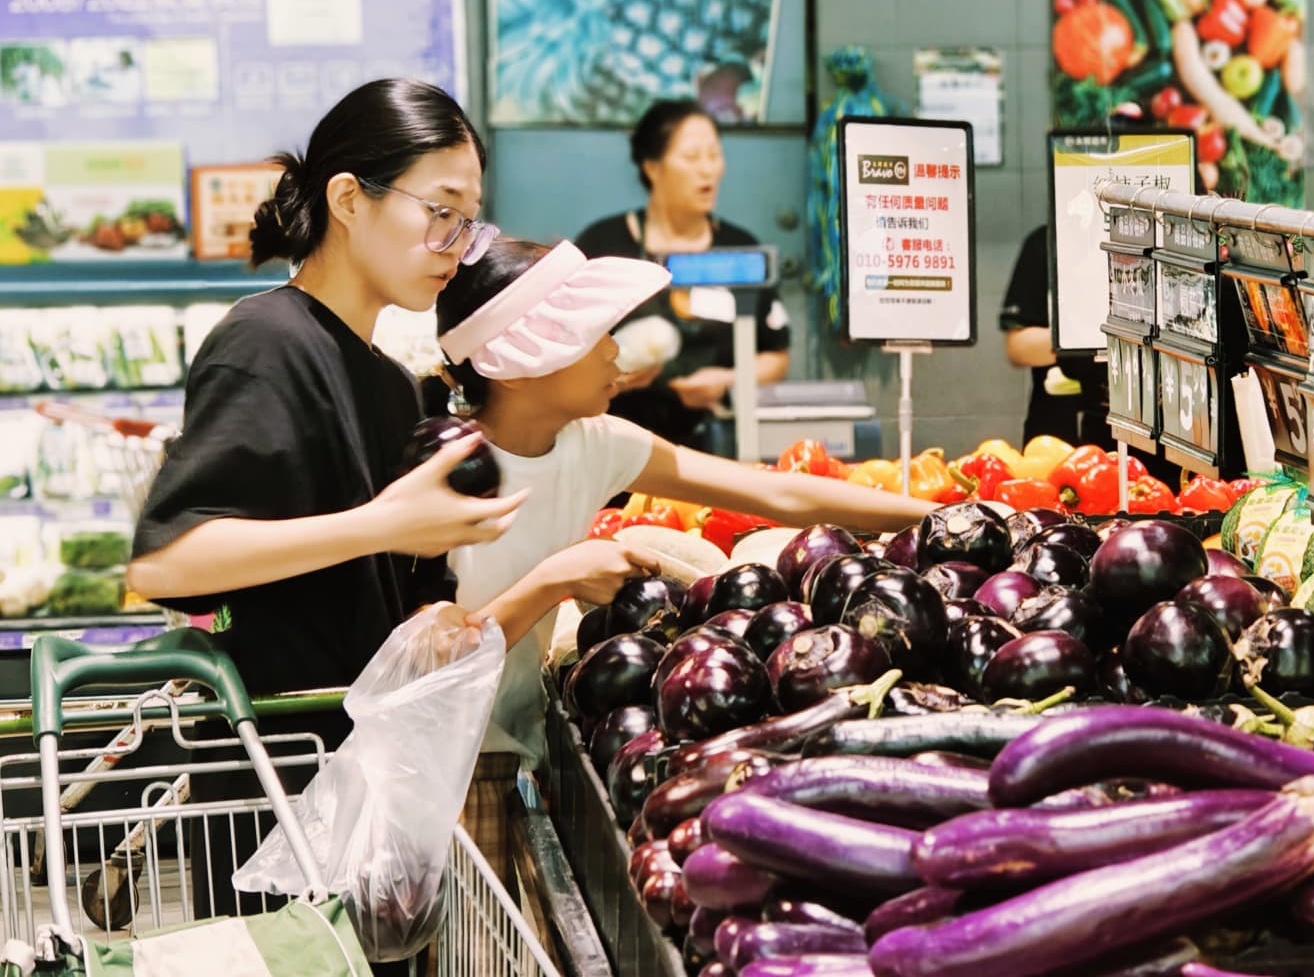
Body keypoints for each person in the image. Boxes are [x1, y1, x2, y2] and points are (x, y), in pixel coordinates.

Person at [127, 80, 657, 947]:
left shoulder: (387, 382)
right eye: (439, 213)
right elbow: (171, 559)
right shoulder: (266, 343)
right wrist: (387, 525)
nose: (456, 245)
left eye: (468, 221)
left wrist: (438, 606)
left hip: (355, 796)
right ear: (347, 199)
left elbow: (395, 588)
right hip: (266, 796)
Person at [434, 233, 933, 880]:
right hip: (450, 772)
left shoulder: (595, 443)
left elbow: (772, 490)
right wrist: (554, 579)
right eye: (597, 336)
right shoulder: (441, 472)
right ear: (532, 357)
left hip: (523, 749)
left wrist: (930, 516)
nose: (617, 351)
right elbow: (425, 658)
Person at [576, 99, 791, 448]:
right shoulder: (604, 244)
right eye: (692, 158)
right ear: (652, 167)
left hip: (719, 444)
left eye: (714, 155)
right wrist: (616, 378)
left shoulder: (740, 248)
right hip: (617, 443)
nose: (708, 169)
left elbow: (776, 355)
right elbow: (567, 354)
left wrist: (728, 380)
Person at [1000, 224, 1112, 446]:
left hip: (1151, 438)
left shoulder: (1166, 236)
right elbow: (1018, 347)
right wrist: (1090, 333)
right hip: (1058, 431)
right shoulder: (1047, 241)